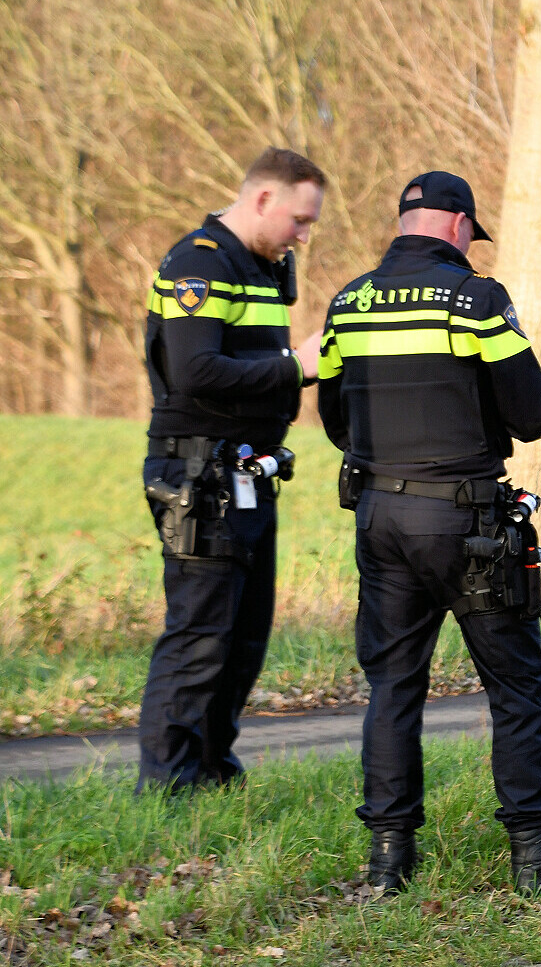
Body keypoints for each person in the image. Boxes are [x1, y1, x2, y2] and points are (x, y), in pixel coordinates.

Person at [316, 171, 541, 899]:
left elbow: (333, 420)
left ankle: (388, 864)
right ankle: (537, 860)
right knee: (515, 685)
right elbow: (531, 416)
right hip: (469, 525)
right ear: (457, 224)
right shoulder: (477, 299)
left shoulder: (348, 302)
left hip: (381, 518)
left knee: (392, 688)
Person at [139, 147, 327, 794]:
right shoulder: (200, 261)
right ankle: (165, 788)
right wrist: (295, 368)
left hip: (247, 472)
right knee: (199, 636)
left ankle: (213, 770)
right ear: (263, 199)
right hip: (198, 474)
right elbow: (195, 370)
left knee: (244, 638)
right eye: (299, 220)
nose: (303, 235)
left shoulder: (265, 266)